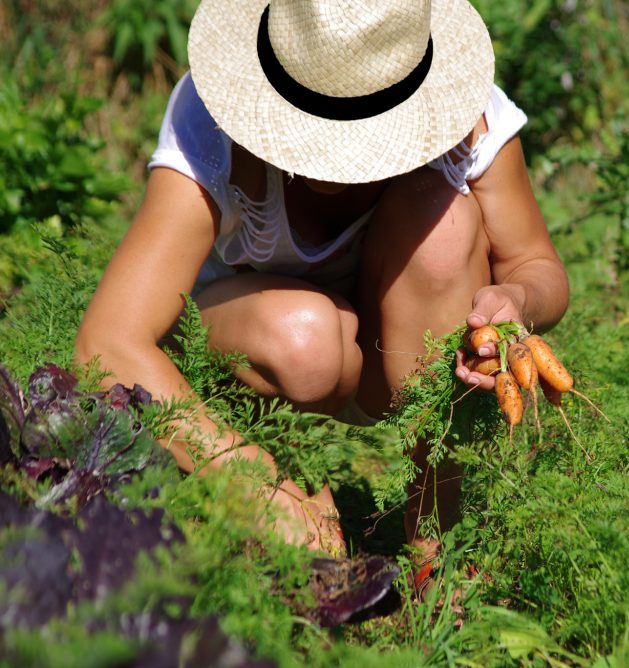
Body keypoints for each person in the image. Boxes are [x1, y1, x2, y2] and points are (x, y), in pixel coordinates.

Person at [74, 0, 569, 562]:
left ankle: (438, 548)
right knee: (307, 337)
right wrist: (246, 475)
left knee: (447, 227)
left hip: (395, 363)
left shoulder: (470, 121)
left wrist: (517, 298)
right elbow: (107, 346)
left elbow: (538, 266)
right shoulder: (212, 123)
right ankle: (280, 458)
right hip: (249, 352)